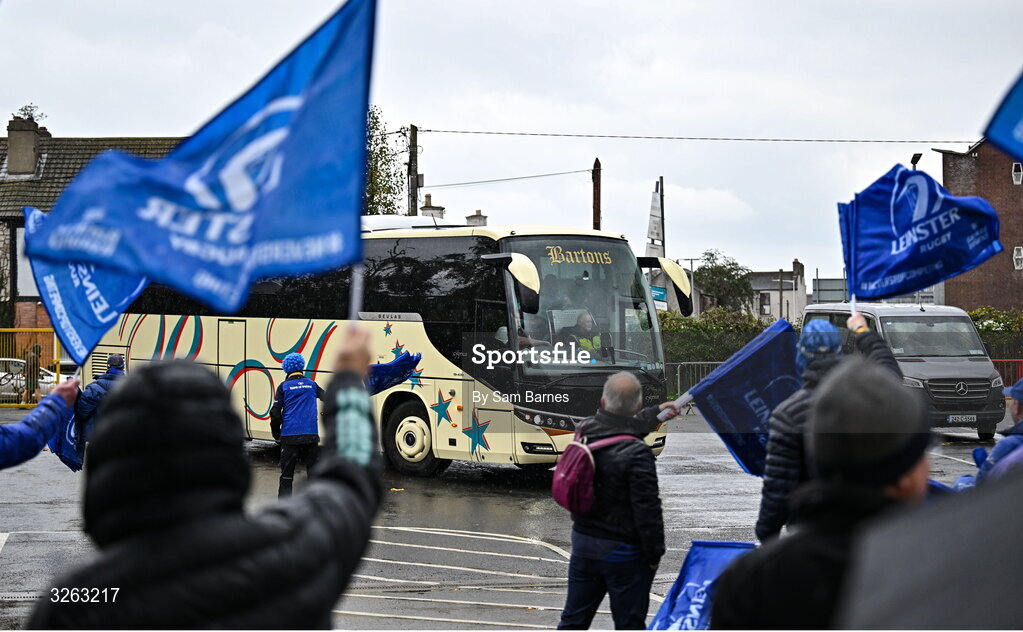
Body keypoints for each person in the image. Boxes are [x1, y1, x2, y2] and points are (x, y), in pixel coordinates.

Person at [28, 327, 381, 629]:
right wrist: (349, 380)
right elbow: (349, 478)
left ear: (110, 471)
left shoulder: (72, 609)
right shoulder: (295, 557)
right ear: (227, 458)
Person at [711, 357, 932, 629]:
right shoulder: (942, 571)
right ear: (905, 476)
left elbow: (776, 487)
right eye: (923, 453)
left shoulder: (751, 580)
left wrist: (768, 535)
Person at [755, 313, 900, 542]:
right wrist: (862, 331)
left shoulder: (788, 415)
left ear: (801, 355)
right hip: (869, 527)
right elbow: (889, 372)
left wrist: (766, 534)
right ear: (839, 353)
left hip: (812, 531)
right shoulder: (867, 395)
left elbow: (779, 486)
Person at [558, 372, 679, 630]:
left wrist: (655, 412)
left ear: (602, 402)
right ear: (637, 406)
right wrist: (654, 554)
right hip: (623, 553)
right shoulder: (637, 453)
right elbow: (648, 510)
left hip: (584, 545)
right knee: (629, 624)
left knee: (573, 620)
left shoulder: (586, 429)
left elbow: (618, 425)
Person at [270, 352, 326, 498]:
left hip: (289, 438)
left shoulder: (284, 387)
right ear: (301, 367)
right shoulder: (312, 384)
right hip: (310, 436)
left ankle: (284, 509)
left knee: (287, 477)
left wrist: (276, 434)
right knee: (313, 475)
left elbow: (275, 414)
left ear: (286, 369)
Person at [956, 376, 1023, 490]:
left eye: (1012, 400)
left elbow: (982, 486)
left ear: (1017, 407)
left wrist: (964, 481)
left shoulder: (1008, 445)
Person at [0, 379, 79, 470]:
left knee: (30, 390)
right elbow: (25, 439)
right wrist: (56, 402)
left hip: (32, 377)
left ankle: (24, 402)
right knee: (33, 390)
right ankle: (31, 402)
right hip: (33, 377)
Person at [75, 354, 126, 445]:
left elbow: (82, 412)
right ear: (123, 368)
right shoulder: (132, 388)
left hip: (98, 439)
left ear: (107, 367)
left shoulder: (94, 388)